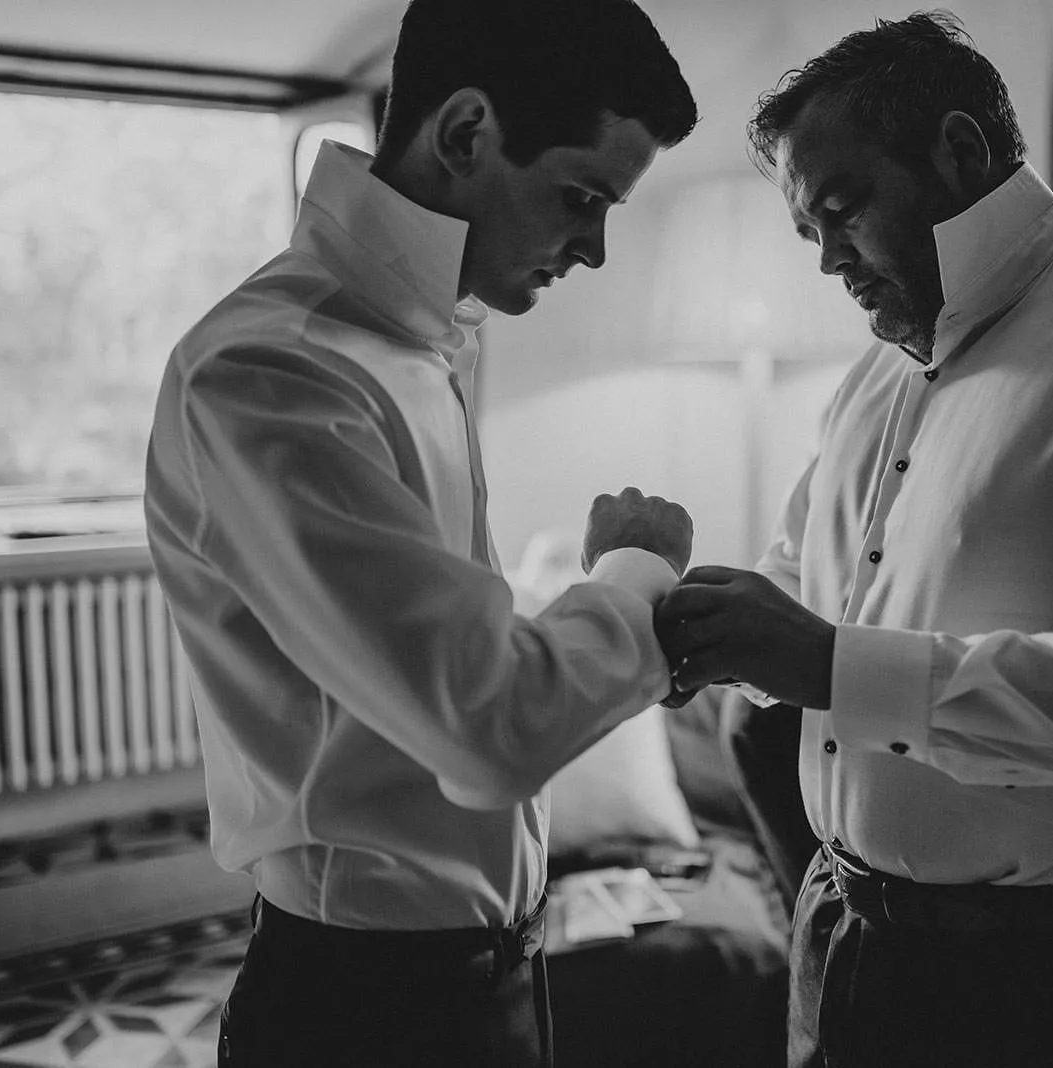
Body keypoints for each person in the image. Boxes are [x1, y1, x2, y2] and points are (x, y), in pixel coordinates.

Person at [656, 11, 1053, 1067]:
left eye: (842, 207)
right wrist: (693, 624)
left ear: (958, 151)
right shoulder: (872, 379)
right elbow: (800, 590)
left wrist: (826, 663)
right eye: (806, 229)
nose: (824, 259)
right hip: (844, 935)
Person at [144, 2, 698, 1065]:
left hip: (489, 975)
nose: (591, 248)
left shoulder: (434, 335)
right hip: (368, 1013)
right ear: (465, 134)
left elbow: (445, 653)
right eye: (582, 196)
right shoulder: (275, 373)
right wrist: (633, 572)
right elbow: (486, 724)